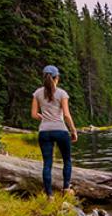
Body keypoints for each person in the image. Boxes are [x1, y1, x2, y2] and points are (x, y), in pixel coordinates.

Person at [31, 65, 78, 197]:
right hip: (61, 131)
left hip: (44, 132)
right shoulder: (62, 93)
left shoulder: (37, 93)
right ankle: (66, 189)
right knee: (67, 160)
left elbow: (34, 114)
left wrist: (42, 117)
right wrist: (73, 131)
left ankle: (49, 195)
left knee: (47, 164)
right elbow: (67, 115)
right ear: (57, 77)